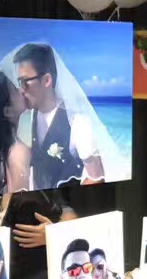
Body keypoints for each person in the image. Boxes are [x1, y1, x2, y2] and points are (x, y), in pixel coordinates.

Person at [12, 43, 105, 188]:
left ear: (47, 80)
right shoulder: (33, 115)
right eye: (19, 82)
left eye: (25, 82)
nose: (21, 89)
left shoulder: (77, 122)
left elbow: (97, 177)